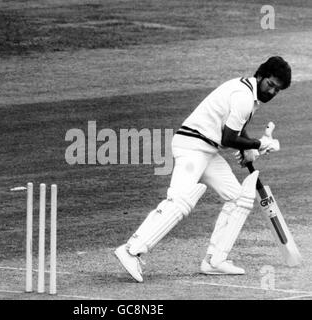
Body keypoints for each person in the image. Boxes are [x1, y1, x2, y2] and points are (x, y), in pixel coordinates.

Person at [114, 56, 292, 282]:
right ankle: (132, 250)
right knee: (180, 200)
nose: (272, 92)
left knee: (238, 199)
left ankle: (215, 261)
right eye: (271, 85)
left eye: (278, 90)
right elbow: (229, 138)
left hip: (206, 150)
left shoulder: (248, 92)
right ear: (260, 75)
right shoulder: (243, 97)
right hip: (192, 147)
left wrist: (249, 149)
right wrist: (258, 143)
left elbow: (237, 129)